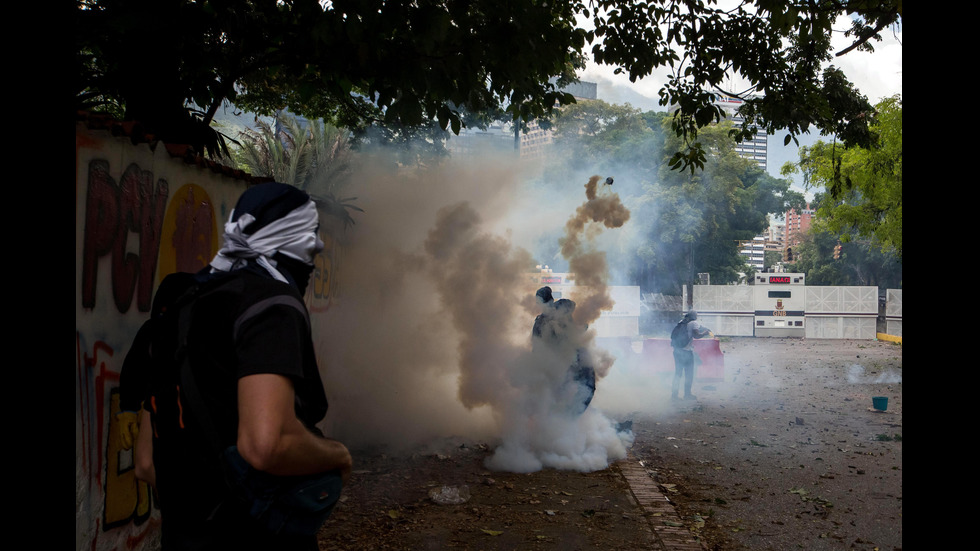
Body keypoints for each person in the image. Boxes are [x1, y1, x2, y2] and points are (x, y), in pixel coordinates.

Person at [134, 182, 352, 551]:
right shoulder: (270, 305)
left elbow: (145, 463)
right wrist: (337, 455)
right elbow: (265, 446)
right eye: (309, 233)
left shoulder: (180, 306)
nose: (318, 246)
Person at [670, 310, 713, 401]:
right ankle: (687, 395)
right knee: (689, 374)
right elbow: (696, 335)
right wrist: (705, 333)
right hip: (686, 352)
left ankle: (674, 395)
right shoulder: (694, 323)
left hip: (677, 351)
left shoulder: (681, 322)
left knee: (678, 374)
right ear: (694, 316)